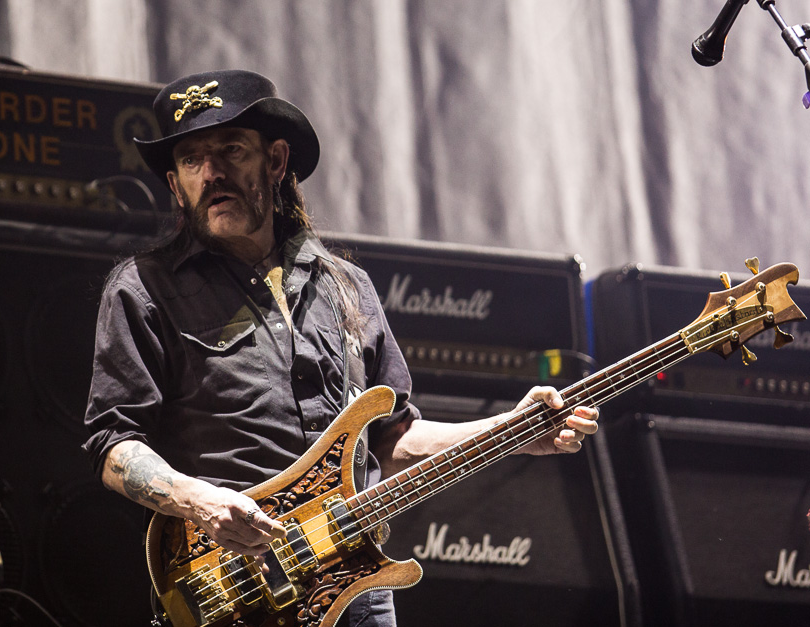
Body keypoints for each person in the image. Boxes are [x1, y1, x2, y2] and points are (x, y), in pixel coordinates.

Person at [83, 69, 599, 627]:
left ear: (276, 160)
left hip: (355, 597)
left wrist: (509, 432)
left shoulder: (347, 287)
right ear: (174, 183)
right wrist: (199, 501)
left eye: (231, 150)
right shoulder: (143, 289)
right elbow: (113, 444)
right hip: (234, 589)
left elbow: (390, 440)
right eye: (191, 160)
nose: (211, 173)